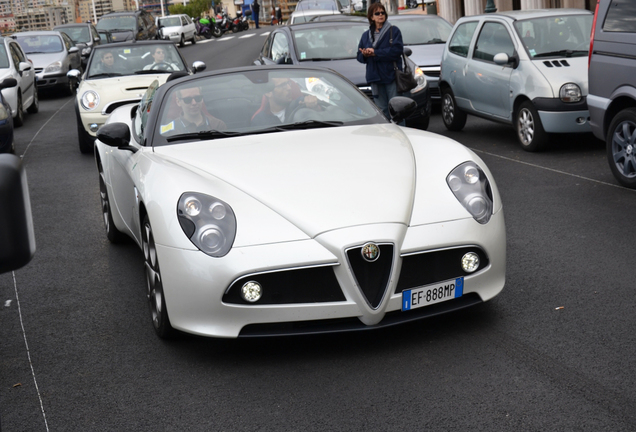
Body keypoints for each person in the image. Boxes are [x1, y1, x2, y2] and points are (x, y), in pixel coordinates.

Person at [356, 3, 404, 119]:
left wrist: (376, 52)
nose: (380, 15)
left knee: (396, 111)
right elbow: (359, 57)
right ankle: (385, 135)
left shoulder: (394, 31)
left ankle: (399, 135)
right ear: (371, 17)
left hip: (391, 76)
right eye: (377, 13)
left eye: (383, 13)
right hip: (375, 78)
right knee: (381, 112)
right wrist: (366, 55)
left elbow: (397, 51)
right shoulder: (365, 35)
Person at [251, 78, 320, 126]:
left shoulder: (300, 104)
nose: (289, 88)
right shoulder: (259, 121)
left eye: (288, 83)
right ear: (268, 93)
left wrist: (314, 106)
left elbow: (323, 116)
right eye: (283, 85)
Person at [162, 86, 226, 134]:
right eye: (187, 100)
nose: (194, 103)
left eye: (198, 98)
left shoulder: (218, 125)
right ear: (178, 102)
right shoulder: (168, 131)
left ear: (202, 99)